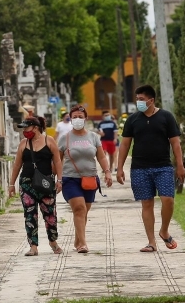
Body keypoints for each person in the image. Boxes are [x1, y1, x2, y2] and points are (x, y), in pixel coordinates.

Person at [116, 85, 185, 253]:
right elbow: (125, 144)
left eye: (141, 99)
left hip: (163, 167)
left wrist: (180, 165)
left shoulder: (166, 117)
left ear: (151, 100)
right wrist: (119, 168)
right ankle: (151, 242)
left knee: (168, 200)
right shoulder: (133, 120)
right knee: (146, 204)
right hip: (140, 168)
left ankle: (164, 230)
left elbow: (175, 143)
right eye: (137, 99)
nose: (138, 102)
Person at [58, 105, 113, 254]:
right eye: (74, 117)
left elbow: (101, 156)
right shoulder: (65, 138)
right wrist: (57, 178)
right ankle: (82, 243)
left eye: (80, 117)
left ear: (86, 119)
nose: (77, 119)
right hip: (70, 179)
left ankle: (78, 239)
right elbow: (58, 160)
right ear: (70, 119)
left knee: (84, 211)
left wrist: (107, 172)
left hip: (90, 179)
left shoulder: (93, 137)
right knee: (79, 208)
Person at [8, 116, 64, 256]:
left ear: (36, 127)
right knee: (29, 215)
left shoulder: (49, 141)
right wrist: (11, 184)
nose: (24, 131)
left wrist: (60, 180)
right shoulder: (23, 143)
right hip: (27, 183)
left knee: (50, 214)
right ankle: (33, 246)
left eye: (26, 127)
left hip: (46, 183)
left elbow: (57, 162)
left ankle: (53, 241)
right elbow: (17, 165)